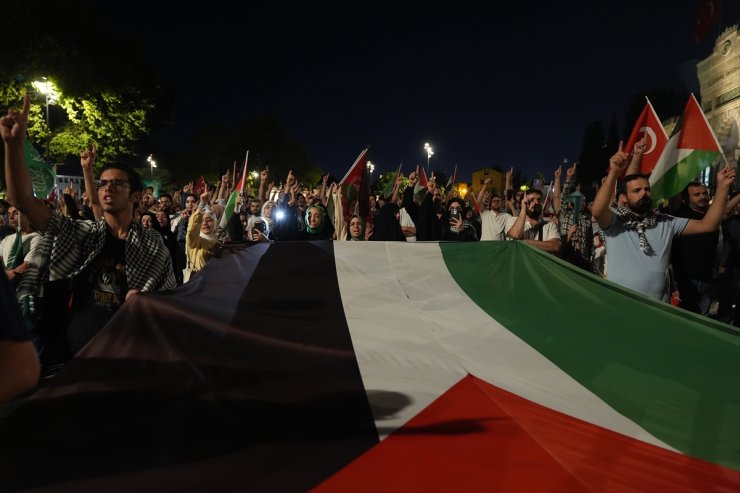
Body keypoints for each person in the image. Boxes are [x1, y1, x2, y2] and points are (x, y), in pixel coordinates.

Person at [1, 95, 176, 353]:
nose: (107, 188)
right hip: (79, 352)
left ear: (136, 196)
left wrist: (146, 301)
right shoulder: (82, 233)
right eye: (103, 183)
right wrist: (14, 146)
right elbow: (23, 200)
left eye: (118, 183)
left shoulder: (153, 246)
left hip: (131, 350)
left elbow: (170, 300)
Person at [591, 141, 736, 301]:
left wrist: (722, 187)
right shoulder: (616, 221)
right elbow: (598, 211)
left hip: (658, 308)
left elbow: (708, 225)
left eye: (647, 189)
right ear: (624, 197)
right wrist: (614, 173)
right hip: (619, 303)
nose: (643, 193)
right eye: (637, 191)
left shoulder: (666, 221)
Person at [506, 188, 561, 254]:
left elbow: (555, 246)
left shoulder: (549, 225)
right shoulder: (512, 220)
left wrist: (523, 242)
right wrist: (523, 208)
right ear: (523, 203)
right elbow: (515, 235)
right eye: (531, 200)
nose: (536, 202)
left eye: (539, 200)